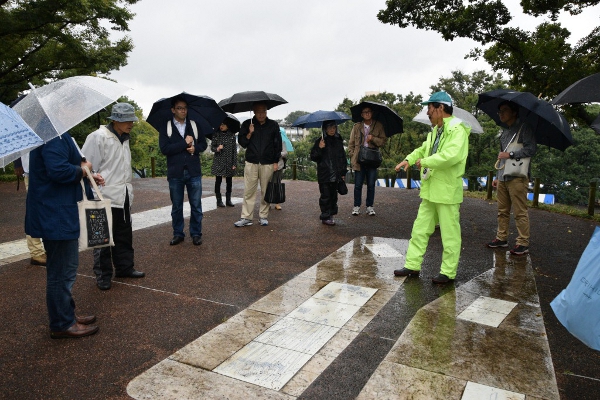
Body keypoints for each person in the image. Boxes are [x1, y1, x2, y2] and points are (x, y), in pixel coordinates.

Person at [25, 132, 103, 338]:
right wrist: (84, 171)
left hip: (56, 211)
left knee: (63, 269)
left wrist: (86, 171)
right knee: (62, 271)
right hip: (56, 213)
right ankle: (61, 322)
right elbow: (58, 170)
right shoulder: (53, 137)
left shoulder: (56, 135)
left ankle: (67, 314)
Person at [393, 91, 470, 284]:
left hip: (446, 191)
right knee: (419, 229)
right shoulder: (436, 131)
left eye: (429, 108)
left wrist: (425, 161)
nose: (427, 112)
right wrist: (408, 160)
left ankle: (448, 272)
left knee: (450, 234)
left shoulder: (457, 130)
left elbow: (451, 156)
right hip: (430, 190)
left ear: (440, 108)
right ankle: (412, 265)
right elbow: (422, 149)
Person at [82, 103, 145, 291]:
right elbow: (86, 165)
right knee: (101, 238)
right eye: (127, 120)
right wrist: (92, 181)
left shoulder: (125, 138)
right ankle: (103, 275)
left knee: (124, 234)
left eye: (132, 120)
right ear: (115, 120)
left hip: (123, 193)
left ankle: (125, 267)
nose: (131, 124)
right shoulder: (98, 137)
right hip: (103, 194)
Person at [486, 100, 536, 255]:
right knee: (502, 210)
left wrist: (512, 154)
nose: (501, 113)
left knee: (520, 211)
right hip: (503, 176)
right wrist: (497, 176)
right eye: (499, 111)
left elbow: (532, 149)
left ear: (514, 112)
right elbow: (502, 157)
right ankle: (501, 238)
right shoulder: (505, 132)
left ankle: (523, 242)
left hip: (518, 176)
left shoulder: (524, 127)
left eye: (505, 110)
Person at [159, 96, 208, 245]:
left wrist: (195, 149)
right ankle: (178, 233)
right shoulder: (166, 127)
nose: (183, 111)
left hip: (193, 171)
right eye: (179, 108)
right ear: (173, 110)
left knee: (196, 205)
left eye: (185, 108)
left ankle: (196, 233)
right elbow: (165, 149)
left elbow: (204, 145)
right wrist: (184, 143)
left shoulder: (194, 125)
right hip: (175, 173)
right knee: (177, 206)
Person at [234, 102, 282, 227]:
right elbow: (242, 143)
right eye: (259, 111)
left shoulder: (273, 125)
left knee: (266, 191)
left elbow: (277, 144)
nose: (261, 114)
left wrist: (276, 161)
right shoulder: (247, 124)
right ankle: (246, 217)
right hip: (251, 162)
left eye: (264, 111)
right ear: (254, 112)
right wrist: (249, 133)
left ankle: (263, 216)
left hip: (268, 162)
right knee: (249, 191)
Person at [347, 105, 387, 216]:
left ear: (372, 113)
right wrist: (352, 155)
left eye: (369, 111)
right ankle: (356, 206)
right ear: (361, 115)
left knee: (371, 184)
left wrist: (373, 138)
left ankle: (370, 206)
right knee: (358, 184)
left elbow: (383, 141)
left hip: (372, 159)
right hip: (359, 159)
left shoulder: (378, 125)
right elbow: (350, 144)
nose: (367, 113)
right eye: (365, 112)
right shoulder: (357, 127)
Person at [310, 120, 347, 225]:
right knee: (325, 195)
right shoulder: (320, 141)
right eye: (329, 128)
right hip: (324, 173)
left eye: (334, 127)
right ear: (325, 129)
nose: (332, 130)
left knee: (333, 196)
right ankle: (325, 216)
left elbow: (342, 158)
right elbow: (313, 157)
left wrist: (343, 172)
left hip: (336, 174)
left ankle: (331, 213)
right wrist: (319, 148)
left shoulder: (338, 140)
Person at [13, 155, 47, 266]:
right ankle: (36, 252)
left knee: (45, 211)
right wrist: (17, 163)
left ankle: (43, 250)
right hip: (31, 171)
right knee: (34, 212)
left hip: (47, 170)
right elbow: (16, 142)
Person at [211, 120, 238, 207]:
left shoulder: (232, 136)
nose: (221, 126)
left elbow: (234, 151)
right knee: (218, 181)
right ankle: (219, 200)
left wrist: (234, 163)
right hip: (219, 161)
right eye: (220, 124)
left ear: (227, 125)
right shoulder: (216, 134)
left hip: (229, 162)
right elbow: (212, 147)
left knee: (229, 182)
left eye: (223, 124)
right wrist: (217, 148)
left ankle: (228, 200)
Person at [273, 143, 288, 211]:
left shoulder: (281, 141)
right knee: (267, 184)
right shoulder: (267, 140)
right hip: (268, 165)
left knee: (277, 184)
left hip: (279, 166)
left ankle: (277, 203)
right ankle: (267, 202)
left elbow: (285, 153)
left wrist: (278, 154)